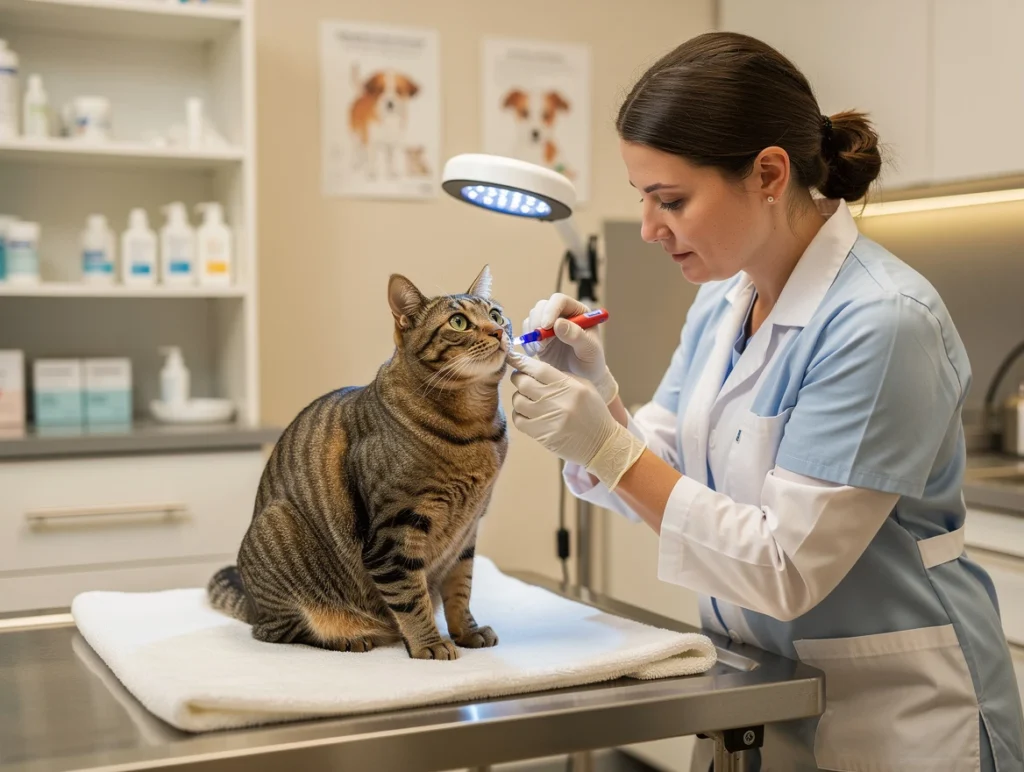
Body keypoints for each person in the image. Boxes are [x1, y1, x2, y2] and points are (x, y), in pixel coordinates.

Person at [507, 31, 1024, 772]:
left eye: (672, 200)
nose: (651, 229)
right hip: (756, 696)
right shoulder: (725, 299)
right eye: (643, 200)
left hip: (894, 717)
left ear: (770, 173)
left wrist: (607, 448)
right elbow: (678, 470)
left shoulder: (883, 321)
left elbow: (784, 566)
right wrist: (601, 406)